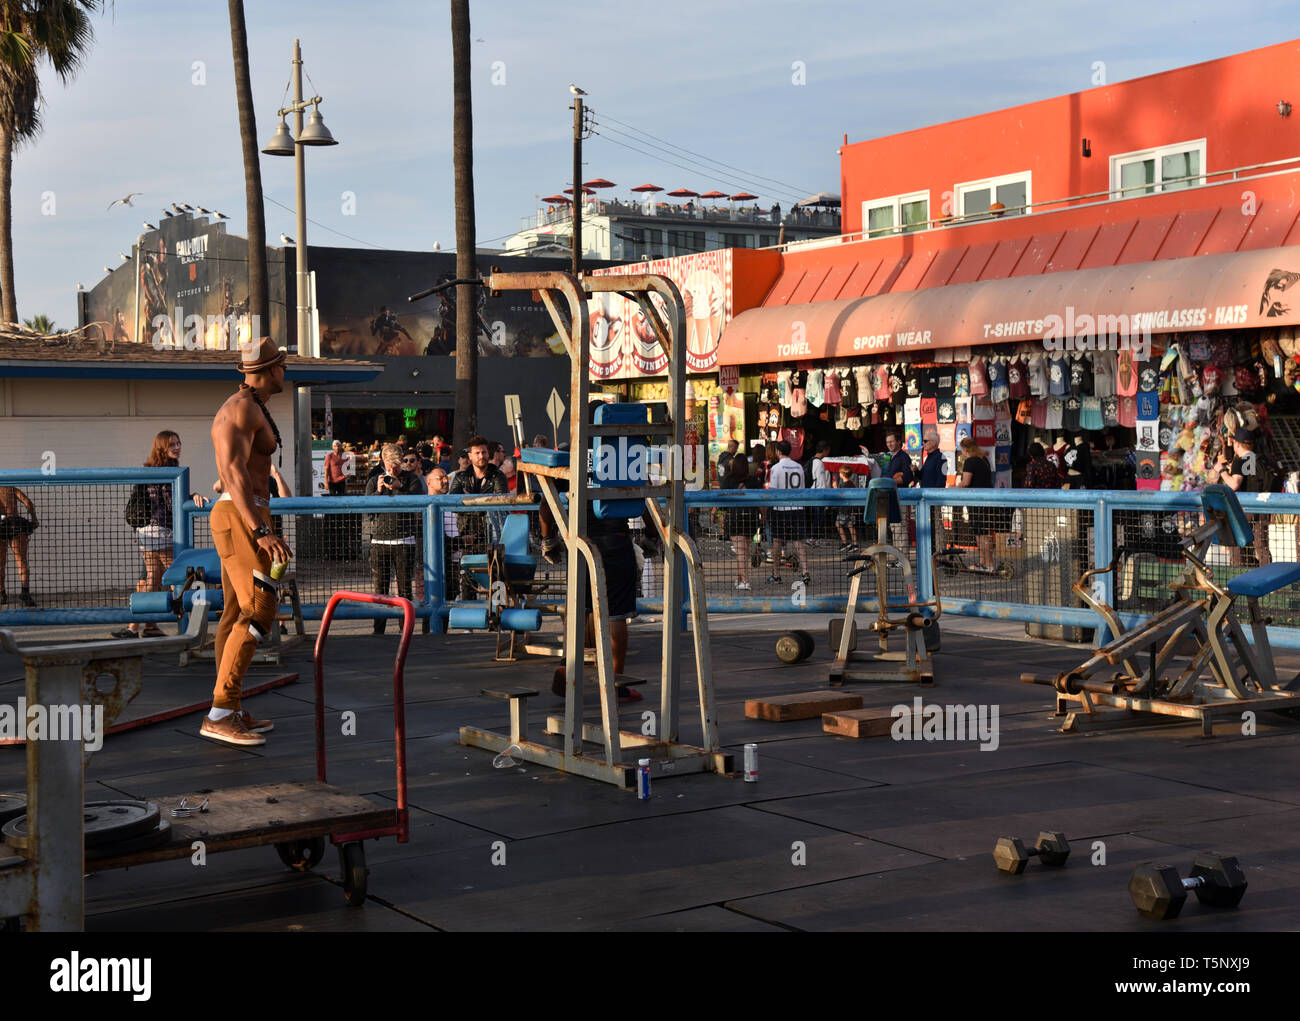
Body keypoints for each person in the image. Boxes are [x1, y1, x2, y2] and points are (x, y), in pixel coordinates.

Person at [203, 338, 293, 747]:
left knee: (236, 613)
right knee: (260, 608)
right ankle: (220, 712)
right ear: (272, 369)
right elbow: (235, 472)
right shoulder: (240, 409)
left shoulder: (249, 408)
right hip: (242, 517)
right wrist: (260, 529)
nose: (285, 374)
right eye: (282, 367)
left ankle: (230, 706)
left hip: (245, 513)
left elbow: (234, 472)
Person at [115, 431, 210, 639]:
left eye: (178, 443)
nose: (177, 447)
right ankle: (193, 629)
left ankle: (139, 627)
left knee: (153, 580)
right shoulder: (169, 470)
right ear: (162, 448)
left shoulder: (147, 470)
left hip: (146, 534)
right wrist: (192, 497)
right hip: (163, 534)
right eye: (172, 445)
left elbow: (139, 501)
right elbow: (171, 503)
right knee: (183, 579)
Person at [365, 443, 423, 634]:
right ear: (383, 462)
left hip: (404, 540)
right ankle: (378, 630)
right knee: (380, 589)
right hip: (379, 541)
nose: (392, 471)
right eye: (389, 466)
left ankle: (405, 629)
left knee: (405, 589)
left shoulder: (411, 480)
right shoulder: (375, 480)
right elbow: (367, 509)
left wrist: (399, 487)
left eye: (397, 466)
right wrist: (379, 492)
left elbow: (416, 504)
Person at [448, 436, 508, 569]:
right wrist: (484, 502)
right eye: (477, 453)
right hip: (466, 533)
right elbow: (452, 505)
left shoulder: (498, 476)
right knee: (467, 580)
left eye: (484, 452)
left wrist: (470, 501)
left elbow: (500, 503)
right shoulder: (461, 477)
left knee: (495, 576)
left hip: (492, 533)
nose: (481, 456)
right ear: (470, 456)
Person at [1218, 428, 1271, 566]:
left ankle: (1239, 575)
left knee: (1236, 541)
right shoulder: (1258, 459)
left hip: (1245, 508)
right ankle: (1268, 579)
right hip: (1262, 507)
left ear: (1237, 444)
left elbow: (1235, 484)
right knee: (1261, 544)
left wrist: (1222, 471)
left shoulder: (1239, 461)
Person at [766, 440, 811, 586]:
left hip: (780, 509)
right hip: (797, 508)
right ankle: (805, 572)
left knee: (777, 542)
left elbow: (773, 490)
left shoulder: (776, 468)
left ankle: (777, 574)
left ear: (778, 451)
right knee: (799, 542)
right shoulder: (799, 467)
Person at [954, 436, 998, 573]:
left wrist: (952, 488)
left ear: (966, 449)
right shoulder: (983, 459)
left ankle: (988, 564)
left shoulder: (970, 461)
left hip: (976, 501)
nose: (961, 452)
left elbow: (966, 482)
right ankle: (983, 563)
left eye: (962, 449)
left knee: (982, 533)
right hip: (985, 500)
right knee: (981, 532)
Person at [721, 454, 761, 590]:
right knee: (745, 551)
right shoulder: (754, 480)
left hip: (734, 518)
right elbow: (761, 500)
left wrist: (720, 515)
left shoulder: (728, 480)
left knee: (741, 551)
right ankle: (739, 579)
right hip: (751, 518)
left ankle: (745, 581)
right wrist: (764, 515)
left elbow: (723, 502)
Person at [0, 486, 39, 607]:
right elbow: (28, 502)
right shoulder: (11, 489)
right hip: (16, 525)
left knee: (0, 563)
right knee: (21, 561)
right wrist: (34, 519)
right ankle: (25, 593)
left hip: (0, 526)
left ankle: (2, 594)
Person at [833, 466, 863, 551]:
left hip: (844, 509)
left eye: (840, 473)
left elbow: (842, 496)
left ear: (842, 474)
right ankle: (855, 544)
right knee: (850, 525)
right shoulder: (851, 483)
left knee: (838, 524)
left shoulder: (844, 485)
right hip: (851, 508)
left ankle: (845, 542)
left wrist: (835, 489)